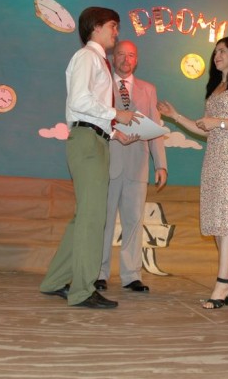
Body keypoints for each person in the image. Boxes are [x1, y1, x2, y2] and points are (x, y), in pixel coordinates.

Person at [39, 7, 140, 309]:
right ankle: (82, 290)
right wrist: (116, 114)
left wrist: (113, 132)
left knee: (84, 216)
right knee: (93, 217)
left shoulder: (96, 60)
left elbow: (87, 108)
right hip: (87, 142)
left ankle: (55, 280)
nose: (116, 32)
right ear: (96, 27)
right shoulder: (87, 57)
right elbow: (79, 100)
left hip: (94, 139)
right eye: (113, 26)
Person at [157, 36, 228, 309]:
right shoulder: (216, 88)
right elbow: (205, 128)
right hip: (215, 157)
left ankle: (222, 283)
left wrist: (220, 123)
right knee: (218, 220)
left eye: (222, 51)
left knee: (227, 219)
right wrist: (175, 116)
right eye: (215, 52)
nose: (216, 56)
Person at [97, 40, 168, 293]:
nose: (126, 59)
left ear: (136, 60)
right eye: (121, 54)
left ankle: (131, 275)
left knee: (134, 222)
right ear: (113, 58)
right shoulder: (103, 85)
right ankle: (99, 273)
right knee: (104, 221)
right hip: (107, 163)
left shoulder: (148, 89)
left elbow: (155, 128)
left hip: (138, 166)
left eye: (131, 55)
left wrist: (161, 165)